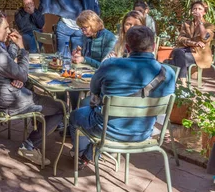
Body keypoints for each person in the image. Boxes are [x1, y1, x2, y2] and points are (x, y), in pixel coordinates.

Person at [69, 26, 176, 167]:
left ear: (127, 47)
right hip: (143, 133)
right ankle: (88, 154)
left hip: (106, 129)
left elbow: (94, 89)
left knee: (74, 115)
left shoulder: (111, 65)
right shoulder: (168, 73)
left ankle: (82, 156)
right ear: (154, 46)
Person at [0, 9, 62, 166]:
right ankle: (30, 145)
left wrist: (14, 73)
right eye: (5, 28)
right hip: (8, 101)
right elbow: (22, 75)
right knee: (60, 108)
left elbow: (6, 62)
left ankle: (38, 126)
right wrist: (22, 49)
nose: (8, 30)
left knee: (31, 88)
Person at [32, 0, 100, 53]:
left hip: (65, 25)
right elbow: (95, 13)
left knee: (61, 56)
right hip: (81, 28)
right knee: (77, 56)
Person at [169, 0, 214, 85]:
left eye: (200, 9)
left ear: (204, 12)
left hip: (200, 55)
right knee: (177, 52)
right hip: (185, 51)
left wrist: (200, 22)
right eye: (195, 9)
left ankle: (182, 83)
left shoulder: (209, 26)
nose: (197, 11)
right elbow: (180, 38)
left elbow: (205, 38)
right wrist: (193, 43)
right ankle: (183, 83)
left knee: (170, 62)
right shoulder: (186, 24)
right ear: (192, 11)